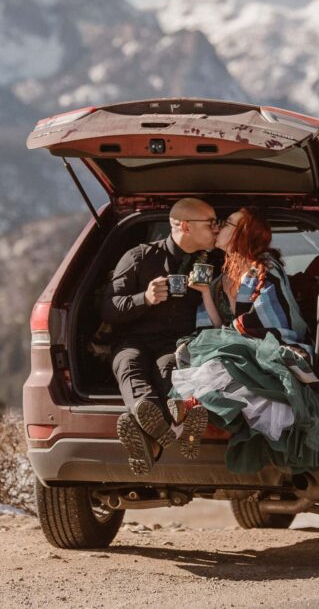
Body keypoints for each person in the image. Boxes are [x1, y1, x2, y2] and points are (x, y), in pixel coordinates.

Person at [173, 206, 319, 474]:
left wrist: (231, 332)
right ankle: (191, 412)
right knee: (204, 351)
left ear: (243, 234)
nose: (218, 228)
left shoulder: (265, 269)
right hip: (233, 346)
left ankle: (191, 409)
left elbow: (270, 322)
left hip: (266, 345)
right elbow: (214, 327)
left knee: (219, 357)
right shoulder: (221, 277)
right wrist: (205, 293)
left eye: (226, 223)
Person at [101, 197, 219, 475]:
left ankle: (152, 443)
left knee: (169, 370)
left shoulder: (215, 261)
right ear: (184, 226)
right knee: (130, 366)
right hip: (133, 340)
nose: (216, 229)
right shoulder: (139, 257)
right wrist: (145, 298)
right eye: (211, 223)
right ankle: (160, 426)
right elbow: (109, 308)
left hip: (176, 343)